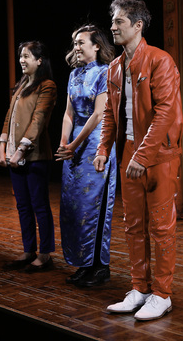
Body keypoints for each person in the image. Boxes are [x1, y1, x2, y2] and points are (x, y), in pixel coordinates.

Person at [94, 0, 183, 321]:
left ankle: (162, 294)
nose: (113, 27)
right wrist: (104, 149)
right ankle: (140, 289)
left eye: (119, 22)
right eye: (113, 21)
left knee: (161, 227)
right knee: (133, 226)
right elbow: (109, 114)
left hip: (158, 154)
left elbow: (165, 113)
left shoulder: (160, 61)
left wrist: (143, 156)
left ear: (137, 25)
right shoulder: (115, 67)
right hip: (130, 151)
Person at [55, 25, 117, 287]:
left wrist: (75, 144)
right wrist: (63, 143)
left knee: (95, 207)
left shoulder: (105, 73)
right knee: (74, 207)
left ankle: (100, 267)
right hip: (74, 146)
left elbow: (98, 114)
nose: (76, 47)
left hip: (95, 143)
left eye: (81, 42)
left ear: (97, 46)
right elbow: (69, 113)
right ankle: (83, 263)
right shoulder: (74, 74)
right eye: (75, 43)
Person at [0, 41, 57, 273]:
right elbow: (8, 118)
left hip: (35, 156)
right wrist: (2, 146)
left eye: (27, 56)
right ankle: (28, 249)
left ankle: (45, 254)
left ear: (39, 60)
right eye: (20, 56)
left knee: (39, 205)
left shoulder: (47, 85)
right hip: (13, 153)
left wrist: (22, 149)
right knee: (22, 205)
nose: (22, 60)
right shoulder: (22, 84)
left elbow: (39, 120)